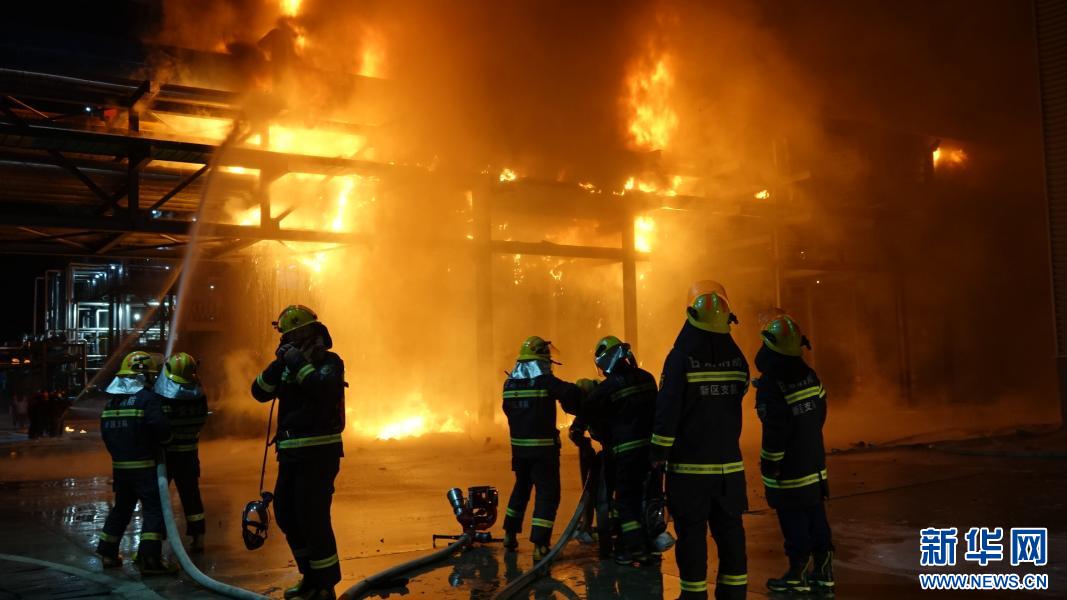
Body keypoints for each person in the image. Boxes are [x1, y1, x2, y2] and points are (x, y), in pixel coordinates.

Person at [651, 281, 749, 600]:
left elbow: (667, 410)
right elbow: (739, 393)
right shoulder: (737, 359)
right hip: (729, 469)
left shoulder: (680, 357)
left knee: (692, 534)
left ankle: (693, 595)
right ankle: (734, 594)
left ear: (691, 314)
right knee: (731, 533)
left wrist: (658, 453)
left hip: (690, 470)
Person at [252, 305, 345, 600]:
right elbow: (259, 392)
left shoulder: (330, 362)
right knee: (286, 514)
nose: (288, 341)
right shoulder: (286, 364)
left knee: (312, 517)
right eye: (286, 336)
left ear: (310, 332)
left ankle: (325, 585)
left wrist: (296, 362)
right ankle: (309, 577)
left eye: (294, 335)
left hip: (319, 454)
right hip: (290, 453)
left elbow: (323, 390)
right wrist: (279, 363)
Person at [754, 314, 834, 595]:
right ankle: (824, 570)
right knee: (815, 512)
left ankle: (797, 573)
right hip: (813, 462)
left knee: (793, 516)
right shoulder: (809, 375)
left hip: (789, 468)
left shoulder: (771, 384)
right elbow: (820, 412)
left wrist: (770, 463)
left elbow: (775, 430)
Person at [500, 336, 582, 561]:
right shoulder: (545, 382)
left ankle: (509, 534)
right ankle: (540, 544)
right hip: (543, 452)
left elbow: (508, 411)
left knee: (521, 489)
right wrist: (586, 388)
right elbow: (570, 393)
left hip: (519, 451)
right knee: (548, 494)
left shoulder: (508, 385)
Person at [96, 350, 175, 575]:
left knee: (121, 509)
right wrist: (167, 441)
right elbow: (161, 429)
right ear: (143, 376)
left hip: (121, 469)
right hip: (145, 468)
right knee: (153, 510)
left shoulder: (111, 403)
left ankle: (108, 553)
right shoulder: (147, 399)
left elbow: (106, 435)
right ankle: (150, 560)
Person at [582, 335, 659, 566]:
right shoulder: (647, 378)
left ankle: (635, 549)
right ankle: (647, 542)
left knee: (625, 501)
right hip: (652, 451)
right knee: (647, 498)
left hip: (626, 453)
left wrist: (577, 430)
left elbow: (587, 410)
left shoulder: (607, 387)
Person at [156, 352, 209, 553]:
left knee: (159, 498)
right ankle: (198, 537)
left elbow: (159, 425)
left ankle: (155, 538)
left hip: (167, 455)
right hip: (190, 456)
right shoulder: (200, 396)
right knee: (191, 497)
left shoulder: (164, 397)